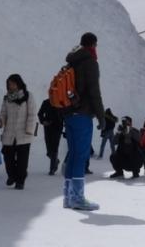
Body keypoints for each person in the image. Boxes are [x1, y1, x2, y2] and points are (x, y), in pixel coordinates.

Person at [61, 32, 105, 210]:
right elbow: (94, 91)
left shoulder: (71, 61)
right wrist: (101, 116)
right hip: (83, 114)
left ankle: (68, 197)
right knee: (80, 156)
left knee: (72, 155)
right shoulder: (90, 62)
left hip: (68, 114)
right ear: (93, 45)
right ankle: (77, 199)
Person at [0, 74, 37, 189]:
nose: (11, 86)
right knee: (8, 157)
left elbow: (32, 114)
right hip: (9, 133)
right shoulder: (7, 98)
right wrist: (1, 120)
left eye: (13, 83)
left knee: (22, 160)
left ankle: (20, 180)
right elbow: (3, 113)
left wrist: (29, 130)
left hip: (24, 133)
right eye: (9, 84)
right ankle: (12, 175)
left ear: (19, 83)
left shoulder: (28, 96)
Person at [37, 98, 63, 175]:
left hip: (58, 127)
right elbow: (40, 113)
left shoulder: (61, 102)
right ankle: (55, 160)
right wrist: (43, 121)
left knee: (54, 148)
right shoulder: (46, 102)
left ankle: (52, 169)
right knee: (49, 151)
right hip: (48, 127)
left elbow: (65, 114)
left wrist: (63, 121)